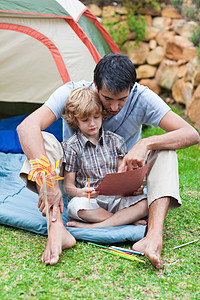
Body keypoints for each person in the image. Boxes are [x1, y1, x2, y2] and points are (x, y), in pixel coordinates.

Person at [17, 53, 200, 268]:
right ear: (96, 86)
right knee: (43, 141)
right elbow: (27, 127)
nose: (114, 107)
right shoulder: (73, 93)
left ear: (132, 88)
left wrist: (146, 144)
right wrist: (48, 179)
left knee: (166, 151)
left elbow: (191, 134)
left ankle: (153, 237)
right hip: (83, 190)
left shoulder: (142, 97)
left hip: (122, 190)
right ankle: (56, 227)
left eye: (122, 99)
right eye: (107, 99)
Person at [62, 86, 148, 227]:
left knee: (146, 202)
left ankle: (94, 226)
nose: (92, 124)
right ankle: (124, 220)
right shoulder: (72, 147)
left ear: (102, 115)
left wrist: (134, 188)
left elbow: (123, 176)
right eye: (85, 120)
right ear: (75, 120)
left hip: (116, 199)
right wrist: (80, 192)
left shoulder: (116, 141)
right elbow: (68, 186)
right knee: (75, 207)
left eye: (96, 117)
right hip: (91, 202)